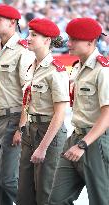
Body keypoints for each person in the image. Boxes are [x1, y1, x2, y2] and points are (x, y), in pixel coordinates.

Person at [48, 17, 109, 205]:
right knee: (56, 200)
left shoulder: (103, 70)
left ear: (90, 42)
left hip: (95, 142)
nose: (69, 43)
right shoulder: (77, 67)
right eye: (69, 38)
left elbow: (107, 114)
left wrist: (83, 144)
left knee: (101, 200)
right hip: (75, 138)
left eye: (74, 39)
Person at [0, 4, 34, 205]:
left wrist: (21, 127)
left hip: (13, 120)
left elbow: (28, 94)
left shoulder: (23, 51)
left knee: (9, 180)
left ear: (13, 23)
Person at [16, 18, 70, 205]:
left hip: (49, 133)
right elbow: (27, 101)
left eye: (33, 35)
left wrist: (43, 147)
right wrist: (21, 129)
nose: (28, 38)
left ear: (47, 40)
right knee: (23, 193)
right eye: (28, 33)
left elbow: (60, 113)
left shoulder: (56, 71)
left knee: (45, 194)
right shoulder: (32, 66)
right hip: (30, 130)